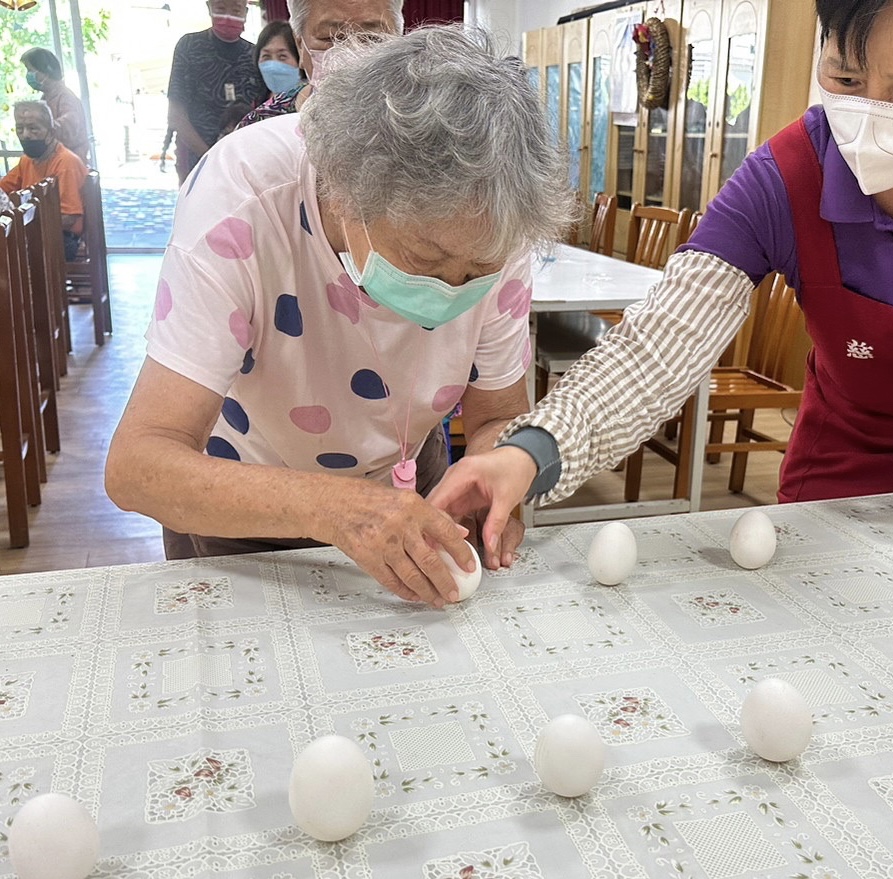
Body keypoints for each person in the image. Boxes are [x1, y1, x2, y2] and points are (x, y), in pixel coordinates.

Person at [429, 0, 893, 566]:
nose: (869, 114)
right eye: (845, 78)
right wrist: (532, 450)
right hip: (835, 484)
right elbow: (656, 351)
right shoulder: (785, 177)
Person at [105, 27, 573, 607]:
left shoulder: (501, 213)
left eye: (479, 269)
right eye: (426, 257)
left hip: (410, 497)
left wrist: (491, 476)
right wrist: (335, 507)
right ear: (346, 190)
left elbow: (495, 413)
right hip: (242, 511)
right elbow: (138, 463)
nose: (452, 288)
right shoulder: (243, 197)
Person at [238, 0, 403, 127]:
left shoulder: (423, 118)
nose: (352, 51)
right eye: (329, 38)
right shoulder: (261, 128)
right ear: (300, 46)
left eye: (372, 37)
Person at [167, 0, 266, 184]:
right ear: (209, 8)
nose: (228, 16)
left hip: (245, 163)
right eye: (220, 8)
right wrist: (211, 158)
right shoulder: (189, 47)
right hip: (198, 161)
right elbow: (176, 116)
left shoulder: (254, 54)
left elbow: (263, 112)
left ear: (245, 12)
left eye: (235, 9)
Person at [0, 100, 88, 261]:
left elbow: (69, 218)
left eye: (33, 128)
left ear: (51, 132)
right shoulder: (28, 160)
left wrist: (25, 228)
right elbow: (3, 190)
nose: (25, 134)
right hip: (38, 233)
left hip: (63, 239)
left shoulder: (66, 162)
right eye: (20, 129)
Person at [20, 47, 89, 165]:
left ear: (46, 71)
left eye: (30, 70)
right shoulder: (46, 98)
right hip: (55, 164)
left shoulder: (65, 97)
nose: (28, 75)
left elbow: (68, 126)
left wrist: (41, 129)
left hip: (69, 166)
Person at [254, 20, 302, 101]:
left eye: (282, 56)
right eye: (266, 56)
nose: (273, 66)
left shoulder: (312, 101)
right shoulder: (256, 101)